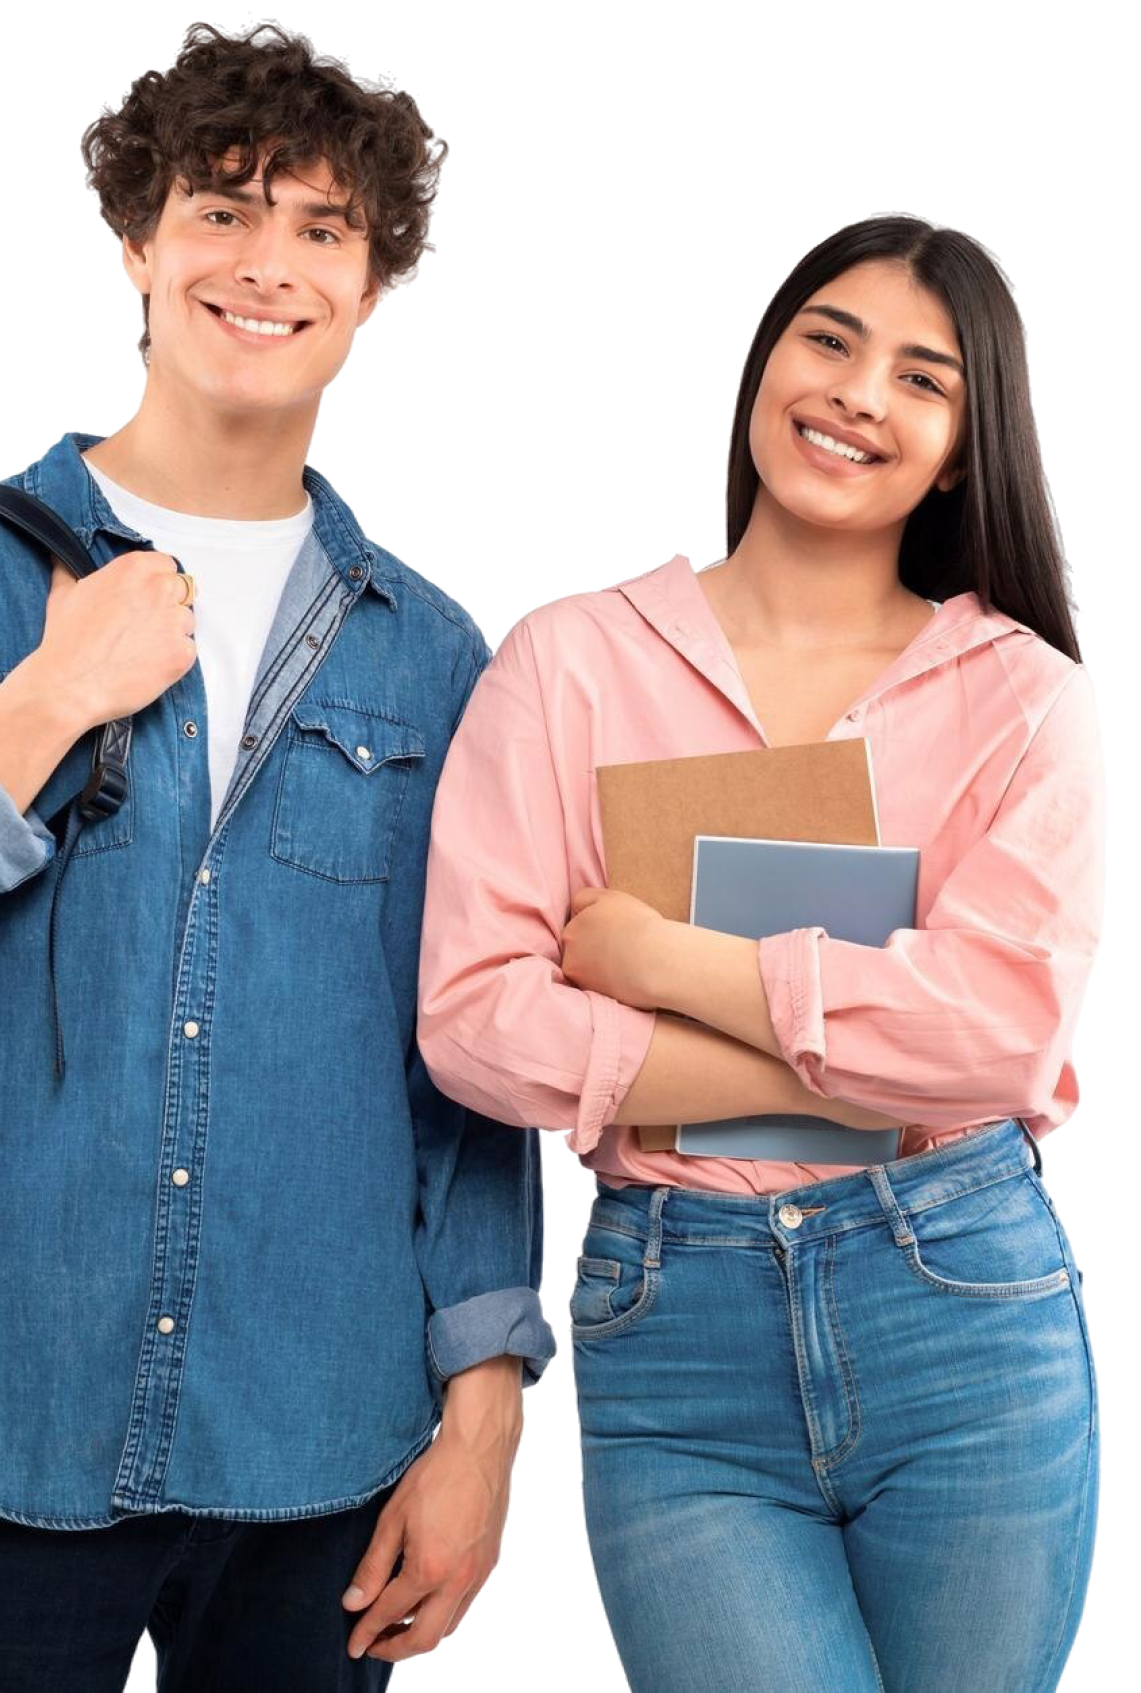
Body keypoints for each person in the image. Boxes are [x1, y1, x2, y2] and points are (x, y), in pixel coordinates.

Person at [0, 20, 551, 1688]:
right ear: (135, 242)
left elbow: (470, 1057)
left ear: (382, 285)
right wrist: (35, 710)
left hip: (324, 1446)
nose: (268, 266)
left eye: (324, 230)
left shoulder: (438, 655)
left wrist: (486, 1410)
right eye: (224, 210)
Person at [417, 226, 1104, 1691]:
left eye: (923, 378)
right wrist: (861, 1050)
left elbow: (998, 1033)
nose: (859, 393)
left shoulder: (1028, 701)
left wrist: (658, 958)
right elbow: (471, 1022)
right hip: (676, 1333)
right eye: (831, 341)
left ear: (965, 449)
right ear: (765, 365)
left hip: (963, 1310)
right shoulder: (568, 659)